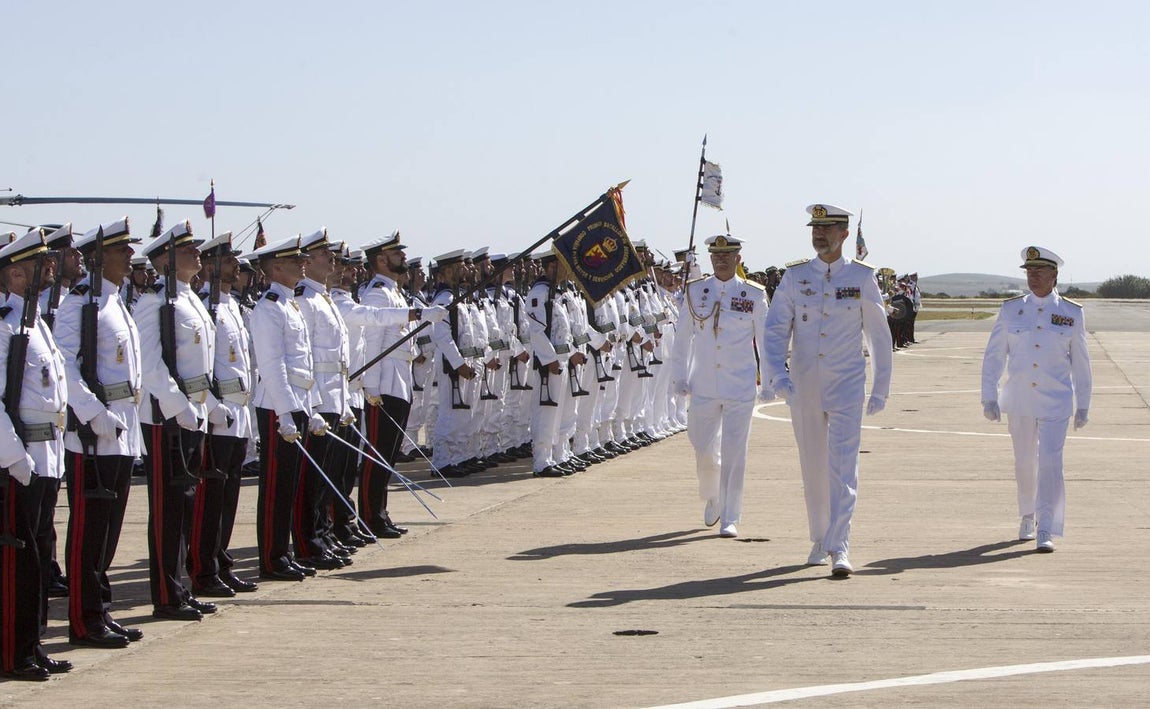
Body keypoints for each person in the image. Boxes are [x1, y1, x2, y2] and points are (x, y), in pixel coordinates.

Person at [763, 204, 893, 576]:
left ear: (844, 234)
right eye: (815, 229)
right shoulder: (795, 277)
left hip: (847, 384)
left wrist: (881, 386)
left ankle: (841, 545)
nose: (819, 235)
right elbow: (775, 330)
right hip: (803, 385)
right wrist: (777, 374)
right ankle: (819, 538)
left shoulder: (862, 277)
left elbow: (879, 336)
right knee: (813, 466)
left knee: (843, 466)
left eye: (827, 229)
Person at [58, 218, 146, 646]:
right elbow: (66, 369)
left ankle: (100, 609)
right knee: (89, 529)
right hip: (94, 434)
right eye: (122, 249)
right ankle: (83, 619)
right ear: (98, 257)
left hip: (122, 428)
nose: (131, 255)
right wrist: (93, 415)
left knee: (109, 527)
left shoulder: (117, 303)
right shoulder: (79, 306)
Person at [981, 246, 1091, 553]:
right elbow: (993, 356)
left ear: (1055, 275)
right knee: (1024, 462)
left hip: (1056, 400)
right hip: (1019, 399)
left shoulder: (1072, 313)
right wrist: (988, 396)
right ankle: (1027, 515)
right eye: (1029, 272)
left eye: (1040, 272)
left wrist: (1084, 403)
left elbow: (1082, 362)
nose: (1034, 277)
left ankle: (1046, 525)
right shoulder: (1011, 310)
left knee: (1052, 462)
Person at [134, 220, 219, 621]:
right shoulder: (154, 303)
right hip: (168, 420)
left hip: (193, 414)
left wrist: (205, 406)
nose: (196, 254)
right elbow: (149, 364)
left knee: (185, 507)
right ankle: (167, 595)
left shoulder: (189, 299)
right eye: (187, 250)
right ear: (164, 260)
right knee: (168, 510)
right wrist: (179, 407)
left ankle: (179, 588)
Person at [0, 230, 72, 679]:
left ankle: (31, 642)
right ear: (14, 272)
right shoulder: (4, 326)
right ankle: (14, 649)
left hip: (46, 454)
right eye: (41, 263)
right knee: (19, 560)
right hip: (20, 459)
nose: (51, 268)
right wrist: (13, 458)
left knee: (39, 554)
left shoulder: (34, 322)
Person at [670, 234, 768, 538]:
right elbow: (682, 338)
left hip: (739, 384)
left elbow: (766, 341)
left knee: (735, 451)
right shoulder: (696, 291)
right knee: (702, 446)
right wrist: (679, 376)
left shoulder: (753, 294)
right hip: (703, 385)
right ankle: (713, 493)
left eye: (727, 256)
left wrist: (770, 380)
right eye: (716, 256)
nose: (721, 260)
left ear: (738, 258)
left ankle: (730, 514)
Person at [250, 235, 321, 582]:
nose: (302, 264)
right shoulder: (269, 307)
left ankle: (284, 552)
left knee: (290, 485)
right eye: (295, 260)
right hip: (279, 407)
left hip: (297, 403)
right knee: (276, 487)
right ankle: (272, 558)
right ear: (276, 267)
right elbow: (272, 364)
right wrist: (285, 413)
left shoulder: (290, 304)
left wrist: (313, 406)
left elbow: (306, 363)